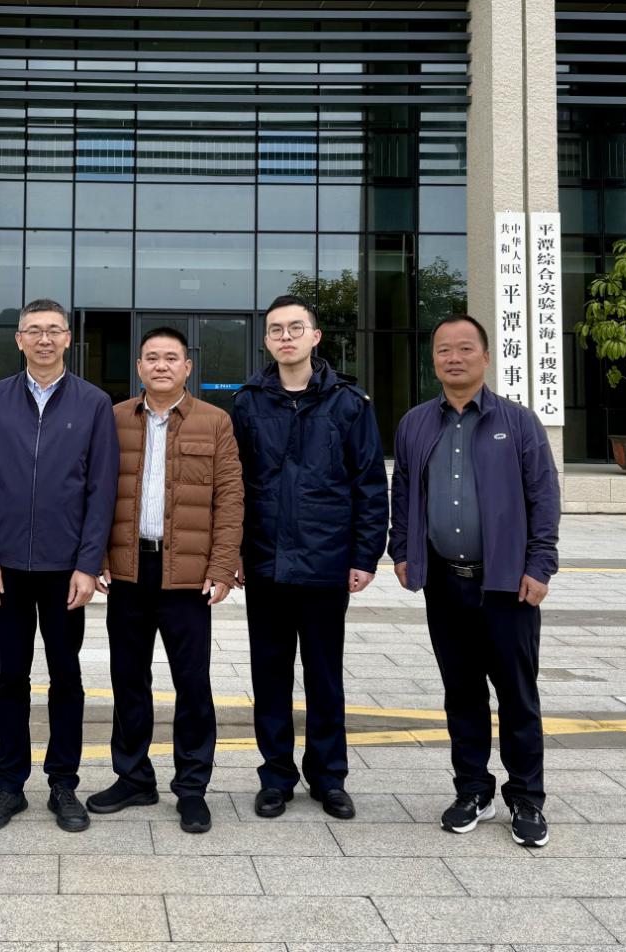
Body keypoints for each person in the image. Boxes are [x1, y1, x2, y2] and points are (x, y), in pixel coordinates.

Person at [389, 313, 560, 848]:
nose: (454, 358)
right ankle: (472, 791)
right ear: (433, 359)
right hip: (445, 582)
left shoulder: (519, 422)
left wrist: (540, 565)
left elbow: (544, 496)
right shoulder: (416, 423)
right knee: (461, 693)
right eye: (444, 349)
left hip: (508, 584)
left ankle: (526, 797)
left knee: (517, 695)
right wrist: (402, 551)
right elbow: (403, 493)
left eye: (465, 348)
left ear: (486, 357)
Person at [232, 294, 388, 822]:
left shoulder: (349, 403)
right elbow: (233, 485)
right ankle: (276, 776)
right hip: (265, 562)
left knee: (324, 676)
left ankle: (328, 777)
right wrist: (234, 552)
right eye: (276, 329)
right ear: (266, 340)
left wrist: (365, 555)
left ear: (316, 337)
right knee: (270, 675)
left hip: (326, 563)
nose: (286, 337)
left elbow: (370, 484)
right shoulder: (248, 402)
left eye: (295, 328)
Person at [0, 298, 119, 833]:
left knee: (65, 677)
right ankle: (9, 785)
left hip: (65, 569)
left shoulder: (93, 403)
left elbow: (102, 489)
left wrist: (88, 564)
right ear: (19, 339)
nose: (44, 339)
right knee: (11, 677)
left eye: (54, 330)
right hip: (6, 565)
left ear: (69, 338)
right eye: (34, 330)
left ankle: (63, 783)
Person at [89, 327, 243, 834]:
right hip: (129, 570)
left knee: (192, 684)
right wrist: (97, 556)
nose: (161, 366)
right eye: (151, 358)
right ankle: (133, 777)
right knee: (128, 680)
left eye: (170, 358)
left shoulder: (215, 421)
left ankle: (192, 787)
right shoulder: (113, 419)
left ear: (187, 367)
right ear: (139, 367)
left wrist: (222, 566)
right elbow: (95, 492)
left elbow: (230, 498)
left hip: (188, 576)